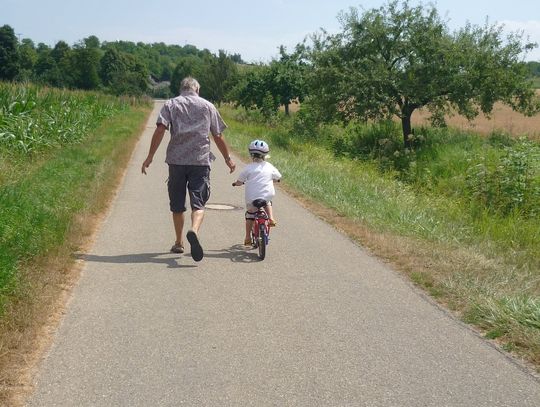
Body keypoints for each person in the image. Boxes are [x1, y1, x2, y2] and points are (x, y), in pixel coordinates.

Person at [141, 77, 236, 261]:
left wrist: (150, 156)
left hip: (176, 161)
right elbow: (218, 135)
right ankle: (194, 230)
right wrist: (228, 159)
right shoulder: (208, 106)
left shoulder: (171, 104)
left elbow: (160, 129)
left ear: (181, 88)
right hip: (200, 162)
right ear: (197, 89)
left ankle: (178, 242)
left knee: (177, 204)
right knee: (198, 203)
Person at [232, 140, 282, 246]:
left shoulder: (248, 168)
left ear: (251, 154)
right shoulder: (269, 166)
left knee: (250, 214)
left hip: (252, 198)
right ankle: (271, 218)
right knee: (267, 202)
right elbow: (278, 177)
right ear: (265, 155)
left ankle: (247, 238)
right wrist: (275, 180)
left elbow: (240, 181)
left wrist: (236, 184)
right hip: (267, 195)